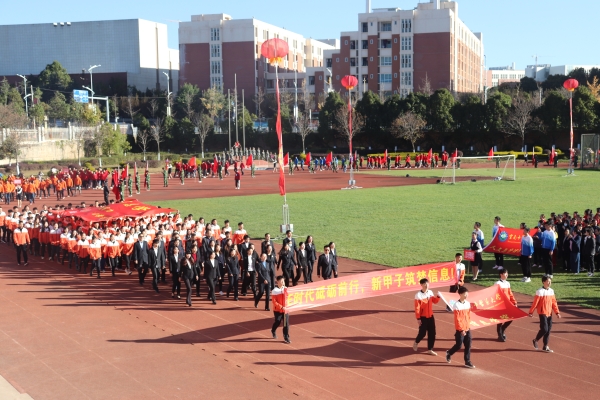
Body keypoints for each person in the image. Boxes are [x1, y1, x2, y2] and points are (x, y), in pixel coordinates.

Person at [529, 276, 561, 353]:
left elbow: (554, 303)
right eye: (548, 281)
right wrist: (531, 312)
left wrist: (557, 312)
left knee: (548, 330)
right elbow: (535, 303)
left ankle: (545, 346)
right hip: (542, 313)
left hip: (549, 313)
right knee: (544, 329)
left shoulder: (551, 291)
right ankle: (536, 340)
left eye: (550, 281)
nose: (549, 283)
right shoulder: (539, 291)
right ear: (543, 282)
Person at [445, 286, 475, 369]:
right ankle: (449, 353)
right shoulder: (456, 305)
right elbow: (457, 319)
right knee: (459, 345)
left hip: (467, 328)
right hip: (460, 329)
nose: (467, 295)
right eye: (465, 294)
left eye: (467, 293)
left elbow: (468, 316)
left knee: (468, 345)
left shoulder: (467, 303)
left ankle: (467, 361)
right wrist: (461, 330)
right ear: (460, 294)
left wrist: (468, 326)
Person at [413, 278, 441, 355]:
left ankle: (430, 349)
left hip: (431, 316)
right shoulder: (418, 295)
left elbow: (435, 301)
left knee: (432, 333)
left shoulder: (430, 292)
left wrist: (438, 296)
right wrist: (418, 318)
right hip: (423, 317)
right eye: (425, 284)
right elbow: (417, 308)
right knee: (422, 333)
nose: (427, 285)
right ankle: (416, 342)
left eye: (428, 283)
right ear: (421, 285)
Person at [495, 268, 517, 341]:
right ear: (501, 274)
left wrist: (514, 302)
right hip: (500, 305)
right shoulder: (497, 283)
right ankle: (500, 335)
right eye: (505, 273)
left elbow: (510, 294)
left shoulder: (507, 283)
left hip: (508, 305)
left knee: (511, 318)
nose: (507, 274)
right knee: (500, 320)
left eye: (507, 273)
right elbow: (496, 295)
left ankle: (503, 329)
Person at [271, 275, 291, 344]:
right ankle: (273, 330)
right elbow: (274, 302)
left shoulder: (285, 289)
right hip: (278, 310)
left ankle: (286, 337)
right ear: (278, 281)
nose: (283, 282)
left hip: (285, 310)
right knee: (278, 321)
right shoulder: (274, 291)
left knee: (286, 324)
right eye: (281, 281)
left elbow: (289, 297)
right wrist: (281, 307)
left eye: (283, 281)